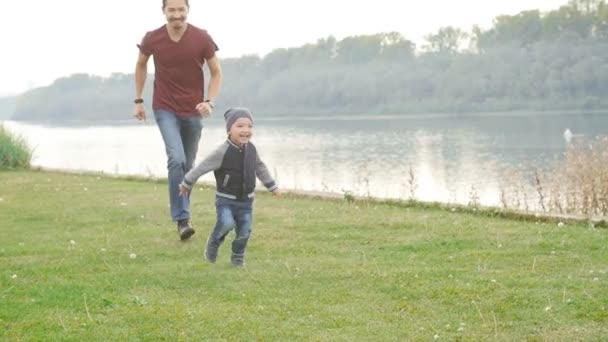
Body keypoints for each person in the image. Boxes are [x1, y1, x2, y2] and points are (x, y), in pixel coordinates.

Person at [134, 0, 223, 240]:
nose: (176, 14)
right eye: (171, 10)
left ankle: (183, 214)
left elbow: (216, 72)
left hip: (193, 110)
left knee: (187, 164)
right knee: (176, 158)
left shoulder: (201, 38)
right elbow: (141, 65)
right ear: (164, 12)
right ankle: (183, 219)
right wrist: (139, 100)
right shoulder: (153, 38)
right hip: (164, 107)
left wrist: (210, 101)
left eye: (181, 9)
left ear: (187, 11)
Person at [179, 108, 280, 267]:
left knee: (245, 231)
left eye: (249, 126)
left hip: (246, 201)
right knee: (226, 224)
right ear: (229, 130)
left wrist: (272, 186)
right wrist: (187, 182)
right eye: (240, 126)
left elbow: (260, 168)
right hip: (226, 200)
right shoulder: (222, 151)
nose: (245, 130)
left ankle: (238, 257)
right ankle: (214, 242)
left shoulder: (252, 150)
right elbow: (202, 167)